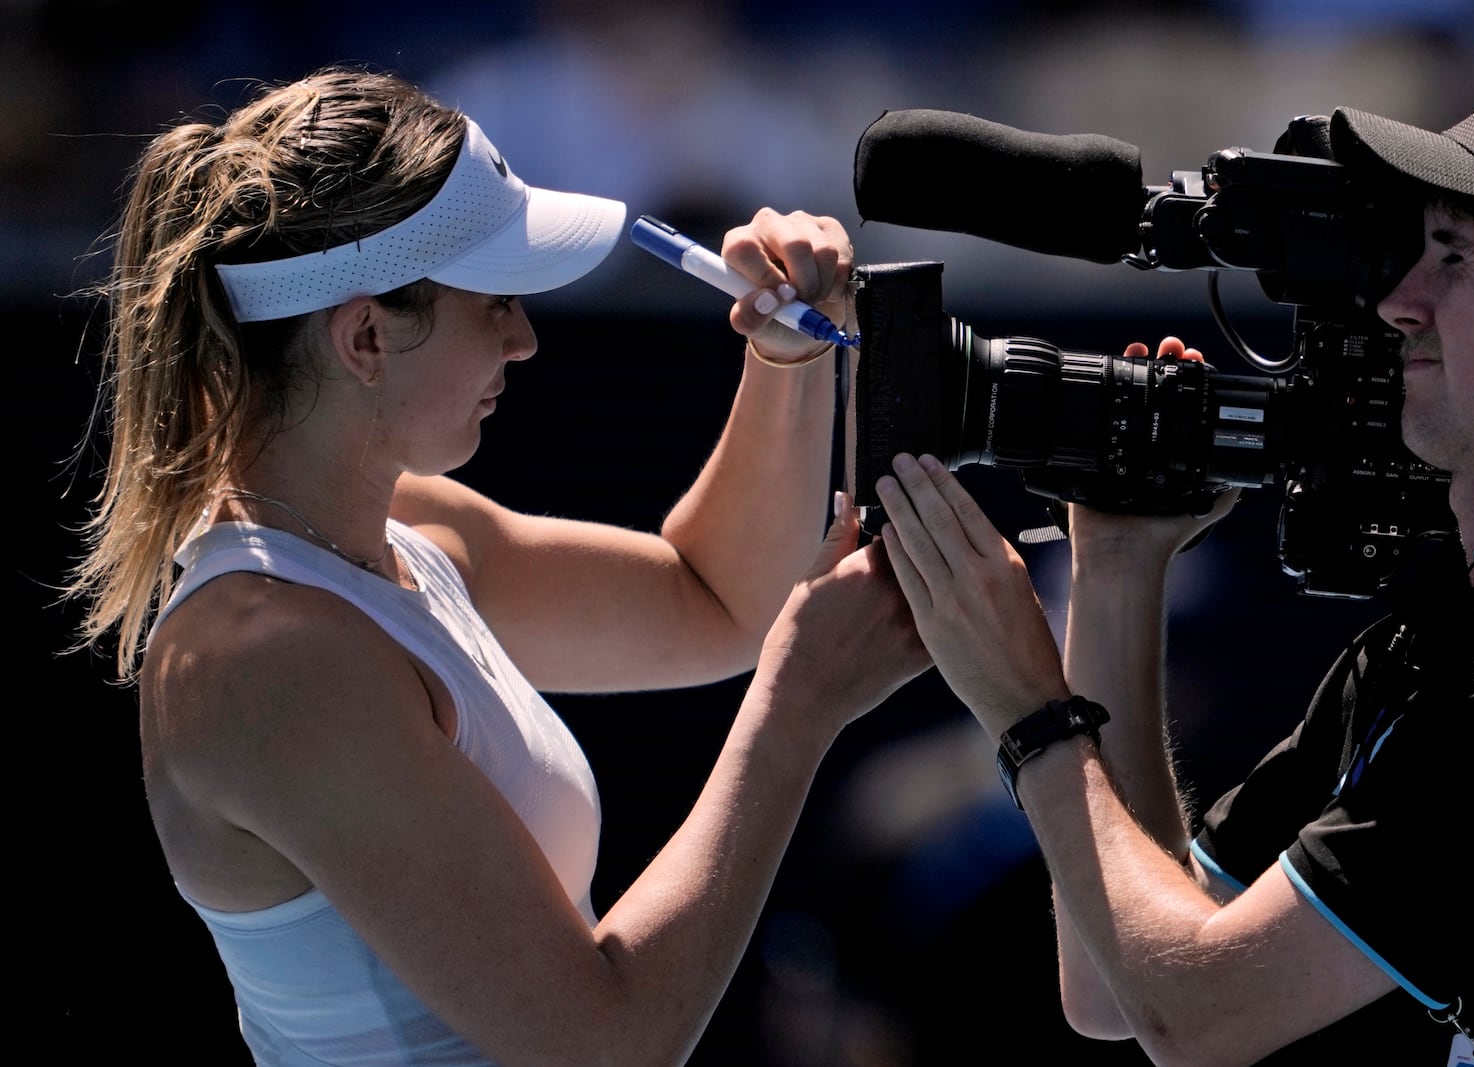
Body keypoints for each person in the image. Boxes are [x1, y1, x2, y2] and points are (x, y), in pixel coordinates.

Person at [66, 65, 929, 1066]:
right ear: (365, 337)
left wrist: (787, 360)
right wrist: (801, 703)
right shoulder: (265, 660)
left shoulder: (411, 533)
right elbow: (606, 1040)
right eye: (494, 304)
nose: (523, 339)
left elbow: (716, 598)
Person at [872, 74, 1474, 1064]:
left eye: (1454, 255)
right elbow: (1117, 986)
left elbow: (1198, 1016)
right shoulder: (1449, 633)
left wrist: (1028, 710)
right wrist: (1118, 574)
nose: (1394, 301)